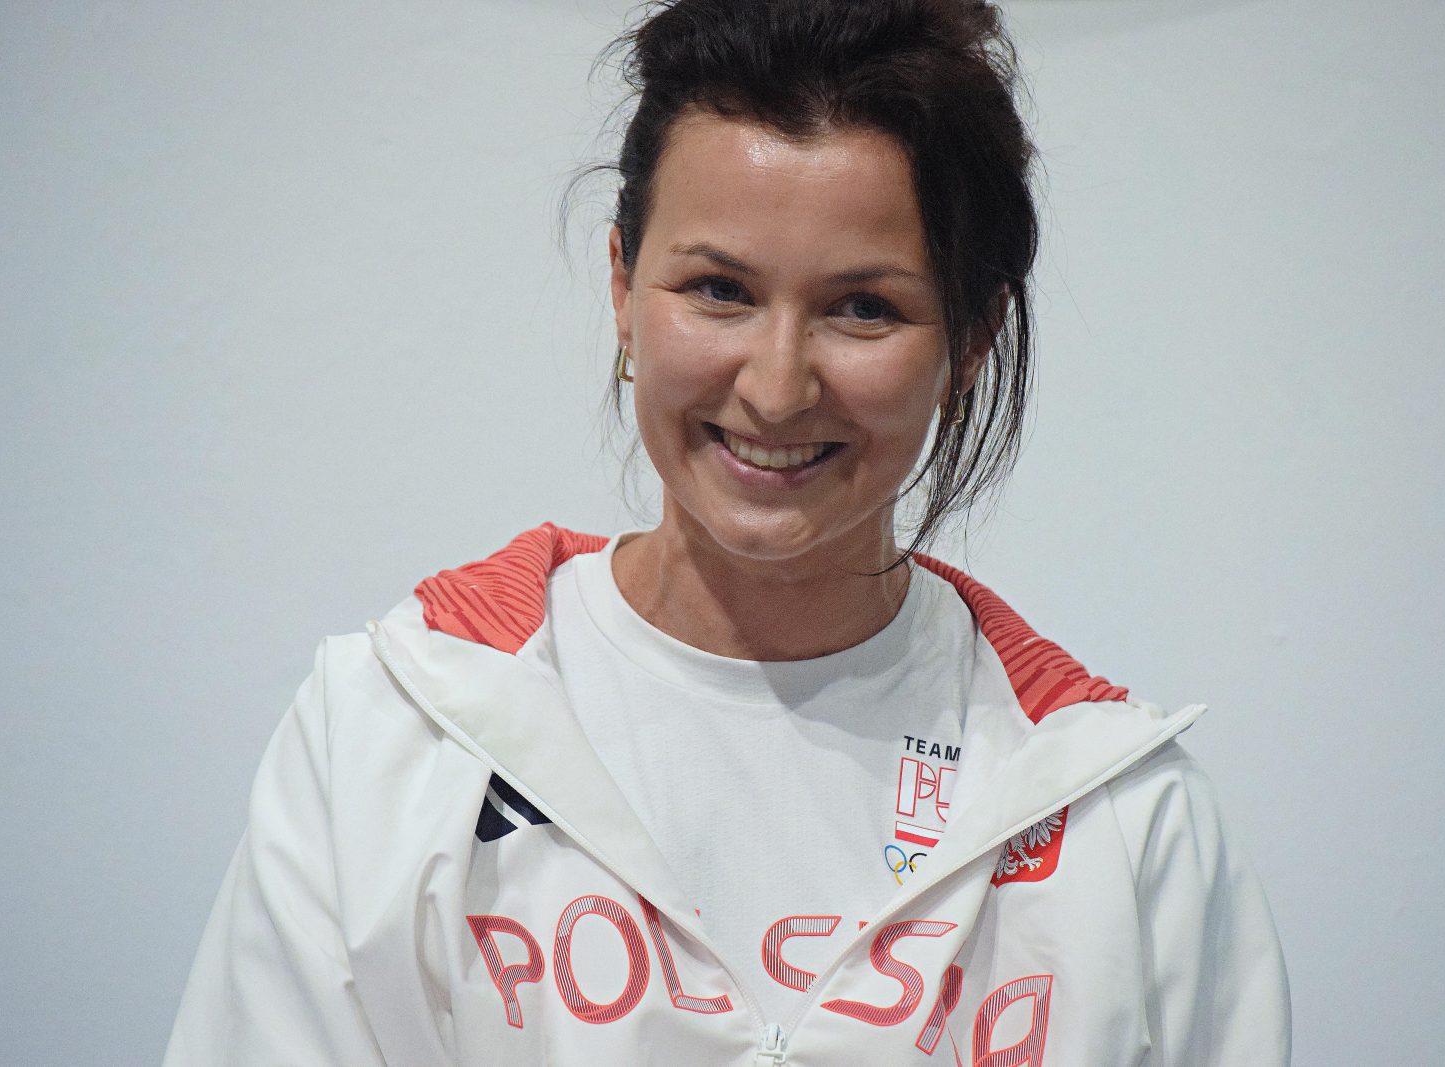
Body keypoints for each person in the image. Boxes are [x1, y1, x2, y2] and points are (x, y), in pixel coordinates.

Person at [163, 1, 1291, 1064]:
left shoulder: (1119, 818)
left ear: (972, 338)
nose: (776, 385)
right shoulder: (391, 732)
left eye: (864, 307)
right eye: (717, 289)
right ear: (622, 284)